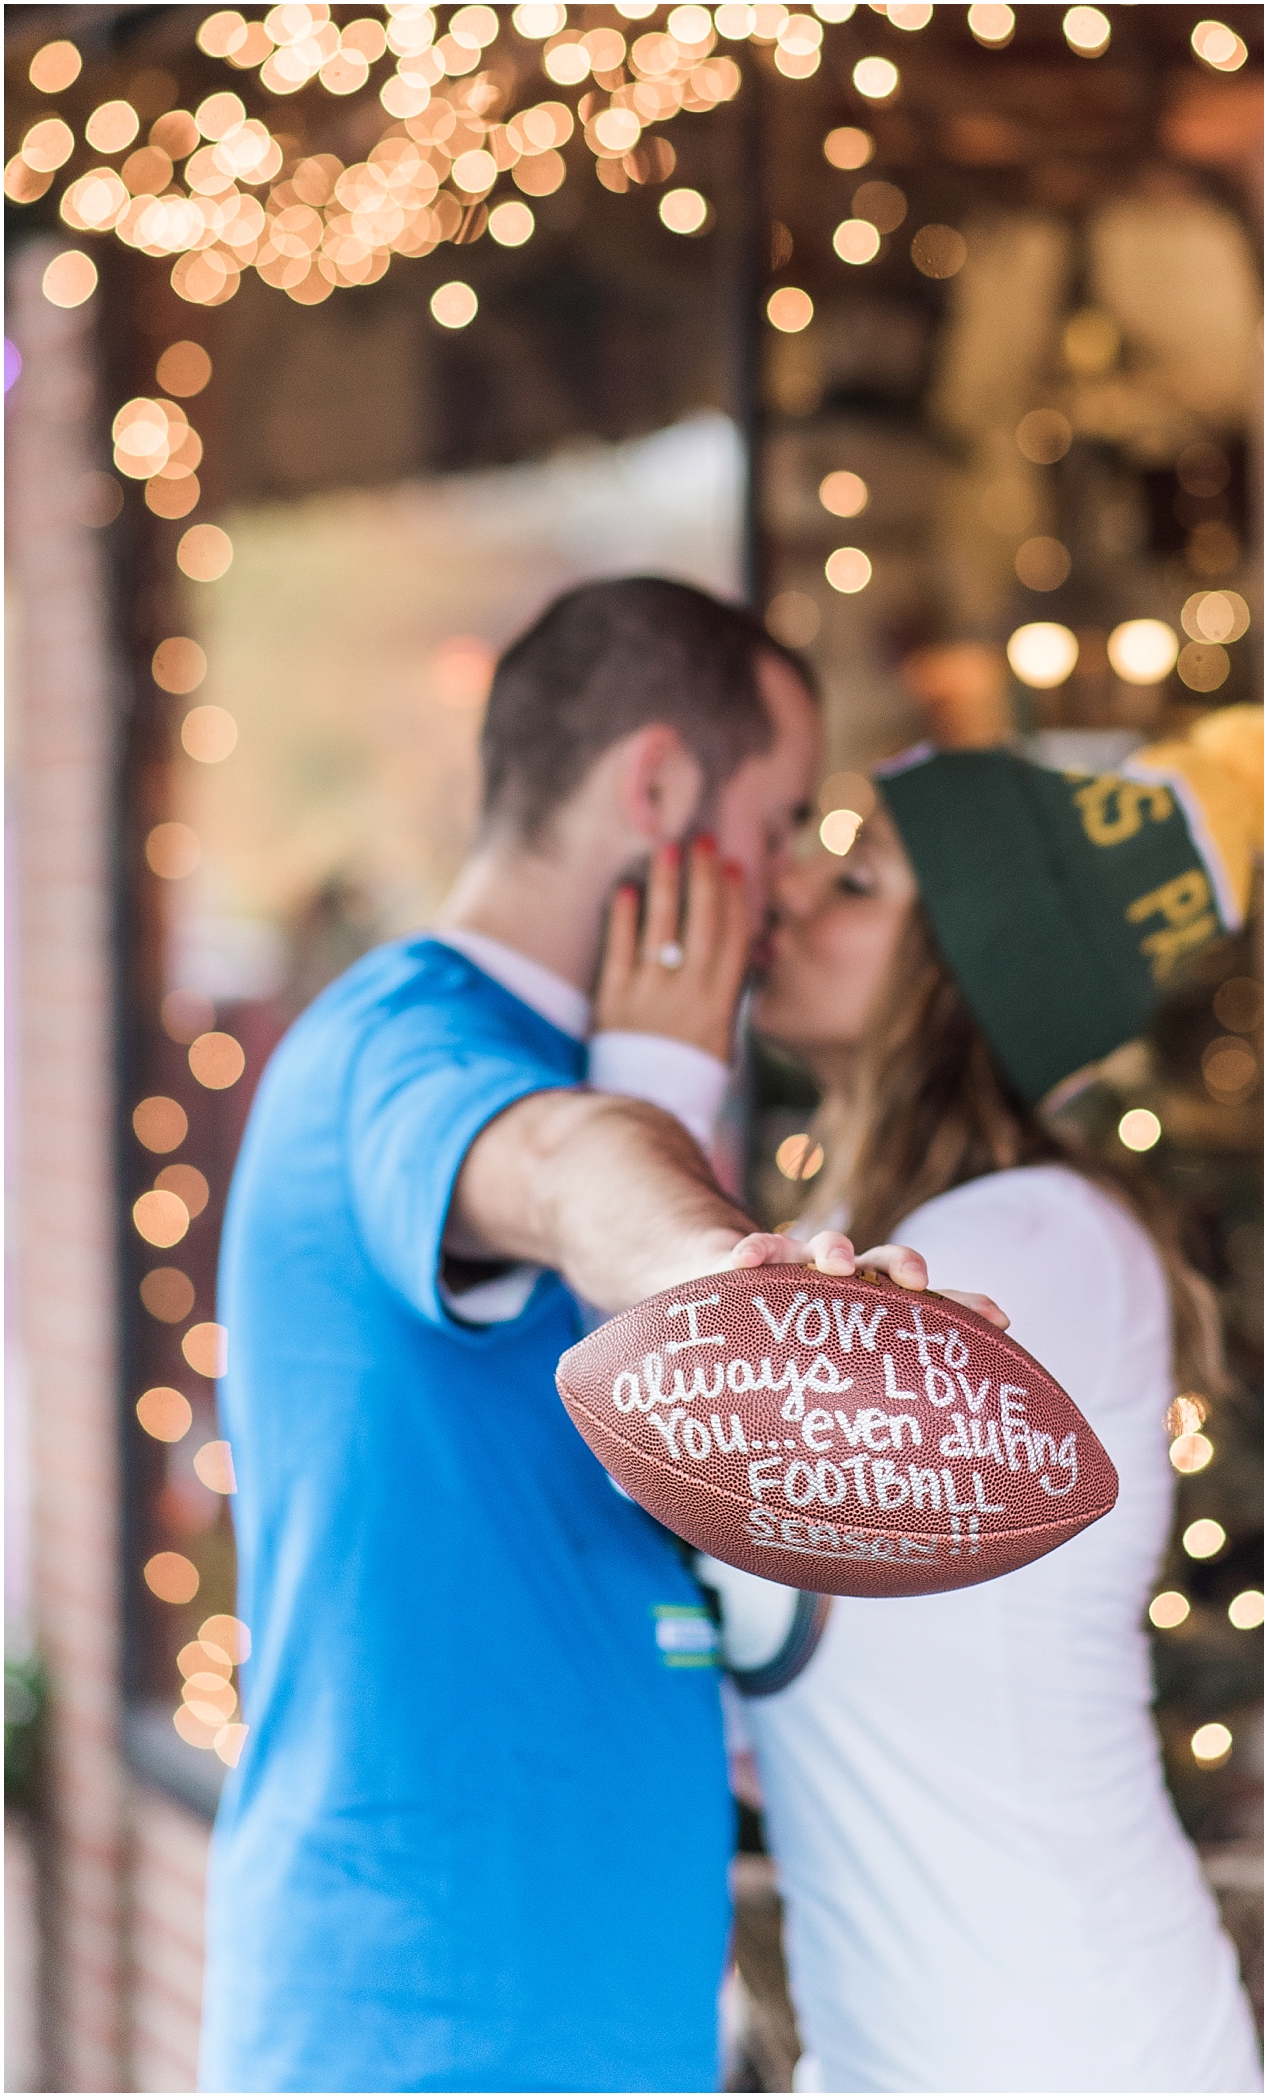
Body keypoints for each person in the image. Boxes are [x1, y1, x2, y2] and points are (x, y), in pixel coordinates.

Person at [197, 576, 1000, 2096]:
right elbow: (565, 1167)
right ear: (657, 787)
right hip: (431, 2032)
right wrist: (728, 1274)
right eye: (771, 834)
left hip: (573, 2017)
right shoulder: (403, 1043)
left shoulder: (618, 1070)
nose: (774, 897)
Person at [604, 705, 1264, 2092]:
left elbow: (690, 1399)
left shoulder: (1045, 1242)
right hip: (902, 2046)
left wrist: (643, 1085)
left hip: (1076, 2047)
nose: (795, 894)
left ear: (968, 972)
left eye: (860, 879)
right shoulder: (836, 1220)